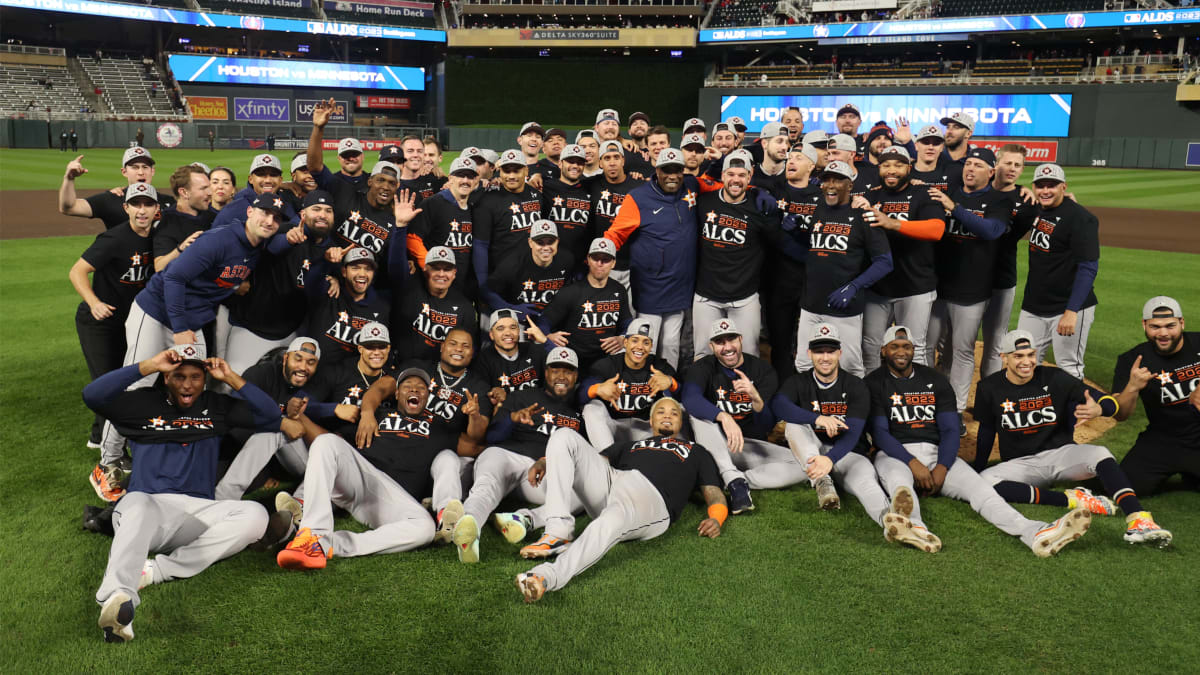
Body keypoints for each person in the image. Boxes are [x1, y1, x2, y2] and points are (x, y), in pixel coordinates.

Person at [84, 345, 295, 642]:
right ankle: (118, 601)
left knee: (254, 515)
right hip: (145, 506)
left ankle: (155, 571)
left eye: (195, 377)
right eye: (178, 376)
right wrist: (149, 365)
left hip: (197, 511)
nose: (187, 384)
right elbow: (92, 395)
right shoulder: (143, 404)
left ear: (205, 379)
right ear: (166, 378)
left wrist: (232, 377)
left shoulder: (216, 406)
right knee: (140, 503)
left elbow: (271, 414)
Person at [90, 193, 291, 502]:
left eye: (276, 218)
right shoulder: (220, 240)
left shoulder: (258, 246)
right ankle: (107, 463)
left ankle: (183, 451)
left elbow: (270, 249)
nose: (270, 221)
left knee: (194, 386)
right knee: (139, 383)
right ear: (250, 212)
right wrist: (181, 327)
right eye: (265, 214)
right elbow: (173, 278)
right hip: (156, 311)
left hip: (190, 319)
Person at [866, 326, 1092, 557]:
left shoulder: (934, 380)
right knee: (899, 484)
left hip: (936, 453)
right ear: (884, 351)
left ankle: (1036, 532)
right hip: (895, 454)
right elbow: (881, 433)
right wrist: (913, 463)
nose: (901, 351)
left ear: (914, 349)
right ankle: (914, 527)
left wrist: (943, 466)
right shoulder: (874, 383)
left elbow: (951, 429)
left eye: (906, 346)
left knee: (983, 492)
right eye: (894, 347)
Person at [514, 397, 727, 603]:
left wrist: (716, 518)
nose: (667, 416)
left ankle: (546, 576)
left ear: (681, 422)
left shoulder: (697, 451)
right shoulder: (630, 445)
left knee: (609, 522)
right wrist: (546, 460)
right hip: (614, 480)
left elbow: (713, 491)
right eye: (661, 412)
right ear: (651, 421)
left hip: (651, 497)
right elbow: (587, 459)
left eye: (674, 413)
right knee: (564, 435)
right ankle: (557, 531)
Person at [973, 330, 1172, 547]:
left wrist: (1099, 409)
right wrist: (979, 465)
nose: (1026, 362)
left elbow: (1104, 400)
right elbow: (986, 430)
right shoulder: (989, 387)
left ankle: (1139, 520)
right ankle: (1073, 499)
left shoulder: (1054, 377)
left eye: (1031, 355)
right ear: (1004, 357)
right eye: (1018, 356)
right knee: (984, 481)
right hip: (1022, 463)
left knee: (1099, 453)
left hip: (1061, 455)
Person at [274, 367, 457, 570]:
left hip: (394, 498)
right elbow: (336, 444)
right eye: (407, 386)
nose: (414, 390)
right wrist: (302, 417)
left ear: (427, 396)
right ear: (397, 394)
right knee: (326, 441)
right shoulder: (377, 415)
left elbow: (473, 447)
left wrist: (477, 418)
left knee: (424, 529)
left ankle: (325, 544)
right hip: (362, 477)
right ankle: (311, 533)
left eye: (421, 388)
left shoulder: (440, 426)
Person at [775, 323, 927, 547]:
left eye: (830, 351)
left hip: (847, 454)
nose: (824, 357)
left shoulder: (856, 386)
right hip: (813, 454)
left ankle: (896, 526)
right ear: (809, 354)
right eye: (818, 351)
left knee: (867, 484)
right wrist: (817, 418)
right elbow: (779, 406)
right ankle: (822, 481)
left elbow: (854, 432)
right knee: (794, 426)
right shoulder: (798, 382)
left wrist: (830, 459)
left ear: (839, 353)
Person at [446, 348, 585, 563]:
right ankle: (470, 529)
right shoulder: (521, 397)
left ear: (576, 376)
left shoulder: (578, 414)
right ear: (546, 373)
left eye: (568, 372)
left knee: (579, 494)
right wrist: (512, 418)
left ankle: (524, 519)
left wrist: (547, 461)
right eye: (555, 370)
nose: (561, 377)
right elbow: (492, 437)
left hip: (542, 473)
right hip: (507, 455)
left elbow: (577, 457)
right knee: (487, 484)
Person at [604, 148, 718, 369]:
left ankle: (667, 391)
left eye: (678, 170)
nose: (673, 176)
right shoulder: (638, 197)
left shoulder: (692, 186)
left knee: (671, 343)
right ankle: (643, 389)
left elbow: (724, 186)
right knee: (648, 342)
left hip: (680, 284)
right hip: (649, 285)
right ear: (656, 170)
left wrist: (754, 192)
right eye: (667, 170)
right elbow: (615, 234)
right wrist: (599, 259)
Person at [923, 147, 1013, 419]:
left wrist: (955, 208)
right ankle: (928, 398)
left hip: (972, 291)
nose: (970, 169)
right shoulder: (950, 189)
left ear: (991, 171)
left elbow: (992, 231)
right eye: (967, 163)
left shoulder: (998, 200)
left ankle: (957, 408)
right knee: (927, 346)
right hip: (938, 286)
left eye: (977, 165)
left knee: (962, 350)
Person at [70, 183, 156, 451]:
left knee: (125, 380)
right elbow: (77, 272)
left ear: (157, 210)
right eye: (136, 204)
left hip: (129, 321)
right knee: (108, 383)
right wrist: (94, 302)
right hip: (99, 323)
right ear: (126, 208)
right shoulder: (114, 239)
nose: (142, 210)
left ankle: (98, 436)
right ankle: (113, 451)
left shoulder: (159, 238)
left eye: (148, 204)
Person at [793, 160, 892, 378]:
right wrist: (795, 232)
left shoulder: (864, 215)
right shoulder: (817, 209)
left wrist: (854, 287)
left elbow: (885, 262)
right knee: (804, 364)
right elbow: (814, 250)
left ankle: (852, 412)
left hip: (844, 309)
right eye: (826, 179)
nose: (830, 184)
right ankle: (810, 411)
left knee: (849, 366)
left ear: (850, 185)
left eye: (837, 180)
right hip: (811, 304)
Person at [857, 145, 947, 373]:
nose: (891, 170)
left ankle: (916, 396)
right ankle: (874, 396)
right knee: (870, 346)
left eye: (898, 165)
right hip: (877, 288)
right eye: (886, 165)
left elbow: (936, 229)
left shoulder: (923, 193)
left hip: (915, 286)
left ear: (909, 167)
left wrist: (892, 223)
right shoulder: (871, 195)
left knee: (914, 347)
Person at [684, 318, 788, 515]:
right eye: (720, 342)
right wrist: (724, 416)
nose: (727, 347)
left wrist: (755, 397)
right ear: (711, 346)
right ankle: (732, 478)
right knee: (698, 416)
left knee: (800, 466)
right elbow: (690, 399)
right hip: (715, 444)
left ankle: (733, 479)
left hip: (747, 446)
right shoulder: (703, 367)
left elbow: (766, 425)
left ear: (741, 340)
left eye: (731, 340)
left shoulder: (762, 370)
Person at [1016, 163, 1099, 380]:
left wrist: (1072, 311)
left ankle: (1075, 414)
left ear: (1063, 186)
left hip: (1068, 307)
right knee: (1024, 361)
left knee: (1069, 366)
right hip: (1034, 304)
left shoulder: (1081, 219)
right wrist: (1019, 189)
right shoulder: (1036, 208)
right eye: (1040, 185)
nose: (1045, 191)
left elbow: (1088, 268)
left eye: (1051, 185)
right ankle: (1033, 407)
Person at [1113, 297, 1200, 494]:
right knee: (1126, 486)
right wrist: (1132, 387)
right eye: (1155, 327)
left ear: (1182, 323)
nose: (1163, 333)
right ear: (1144, 325)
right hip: (1163, 439)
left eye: (1170, 326)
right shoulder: (1131, 360)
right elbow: (1120, 415)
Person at [534, 237, 631, 374]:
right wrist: (548, 336)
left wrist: (622, 338)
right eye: (595, 258)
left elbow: (627, 322)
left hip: (606, 359)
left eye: (606, 259)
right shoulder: (571, 292)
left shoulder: (619, 290)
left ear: (613, 263)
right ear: (588, 260)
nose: (600, 263)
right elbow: (544, 321)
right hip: (573, 359)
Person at [579, 317, 679, 450]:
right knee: (591, 408)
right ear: (625, 342)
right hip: (612, 427)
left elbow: (686, 397)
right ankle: (609, 458)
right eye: (635, 340)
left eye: (646, 342)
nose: (639, 347)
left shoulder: (659, 366)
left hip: (645, 428)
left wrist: (672, 383)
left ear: (651, 347)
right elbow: (579, 395)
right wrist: (597, 389)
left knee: (675, 409)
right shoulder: (608, 365)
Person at [473, 149, 543, 296]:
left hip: (532, 275)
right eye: (506, 171)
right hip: (500, 276)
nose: (511, 176)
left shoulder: (536, 195)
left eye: (516, 171)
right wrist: (483, 282)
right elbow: (480, 245)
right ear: (500, 172)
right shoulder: (488, 200)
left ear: (525, 170)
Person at [408, 156, 480, 298]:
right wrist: (428, 266)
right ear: (451, 178)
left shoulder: (475, 206)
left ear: (475, 180)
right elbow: (412, 238)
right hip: (436, 284)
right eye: (460, 175)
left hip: (463, 286)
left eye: (470, 177)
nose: (465, 181)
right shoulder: (433, 203)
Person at [393, 246, 478, 362]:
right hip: (407, 368)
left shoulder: (465, 308)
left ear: (454, 273)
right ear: (426, 269)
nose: (441, 274)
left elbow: (468, 350)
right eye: (436, 269)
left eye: (447, 269)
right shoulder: (410, 290)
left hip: (443, 372)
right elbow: (395, 266)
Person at [59, 148, 176, 231]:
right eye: (134, 167)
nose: (141, 172)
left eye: (145, 167)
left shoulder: (169, 202)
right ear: (124, 172)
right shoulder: (111, 199)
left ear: (152, 171)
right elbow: (69, 208)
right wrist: (69, 178)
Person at [484, 220, 574, 326]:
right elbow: (486, 291)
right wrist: (510, 309)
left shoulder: (567, 260)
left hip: (550, 321)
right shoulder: (512, 264)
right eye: (540, 242)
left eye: (550, 242)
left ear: (557, 241)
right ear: (530, 242)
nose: (546, 247)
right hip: (517, 321)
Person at [588, 140, 644, 295]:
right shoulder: (591, 184)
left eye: (616, 157)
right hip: (602, 263)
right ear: (600, 163)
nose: (612, 163)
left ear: (623, 160)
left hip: (632, 264)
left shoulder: (638, 186)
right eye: (607, 158)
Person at [475, 309, 546, 407]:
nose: (508, 333)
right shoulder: (482, 361)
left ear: (518, 331)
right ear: (491, 335)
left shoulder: (534, 350)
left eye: (513, 327)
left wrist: (545, 342)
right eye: (500, 328)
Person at [153, 165, 214, 272]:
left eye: (209, 187)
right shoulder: (168, 221)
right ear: (184, 192)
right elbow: (159, 266)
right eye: (203, 188)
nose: (210, 192)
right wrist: (181, 249)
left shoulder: (211, 215)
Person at [539, 144, 594, 262]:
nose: (575, 166)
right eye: (570, 161)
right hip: (550, 259)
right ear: (560, 163)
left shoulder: (590, 189)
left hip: (580, 261)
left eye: (579, 163)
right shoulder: (545, 187)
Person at [212, 154, 297, 228]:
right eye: (261, 175)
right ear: (251, 179)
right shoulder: (233, 208)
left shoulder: (286, 202)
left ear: (280, 180)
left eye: (273, 175)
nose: (268, 180)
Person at [305, 99, 366, 189]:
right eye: (346, 155)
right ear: (339, 158)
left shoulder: (372, 181)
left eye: (354, 154)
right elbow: (314, 167)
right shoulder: (332, 182)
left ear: (362, 156)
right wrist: (318, 127)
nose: (351, 158)